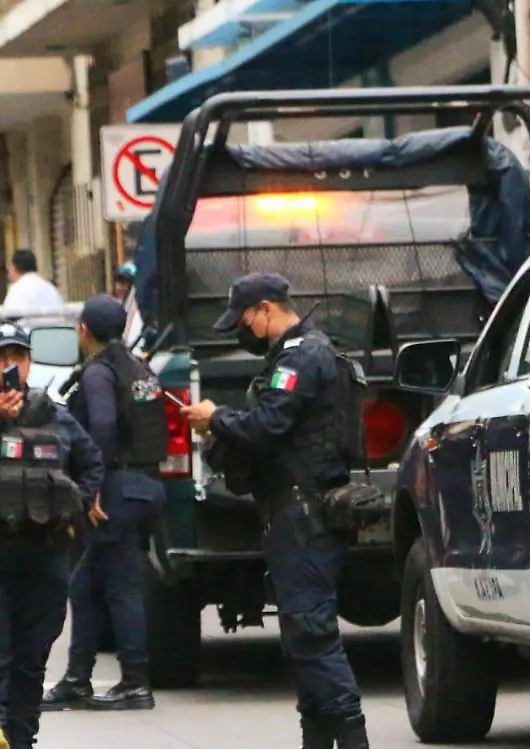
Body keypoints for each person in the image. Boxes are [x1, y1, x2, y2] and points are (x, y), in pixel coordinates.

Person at [180, 272, 370, 749]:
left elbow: (267, 425)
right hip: (291, 514)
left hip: (304, 515)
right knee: (300, 640)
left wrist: (215, 418)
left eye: (244, 321)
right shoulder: (293, 355)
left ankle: (353, 737)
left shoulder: (302, 356)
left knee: (312, 633)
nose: (243, 332)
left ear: (265, 309)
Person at [42, 295, 167, 713]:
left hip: (115, 490)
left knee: (121, 585)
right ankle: (79, 678)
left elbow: (103, 424)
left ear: (84, 331)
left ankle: (134, 682)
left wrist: (92, 487)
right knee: (86, 585)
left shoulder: (98, 373)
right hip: (142, 484)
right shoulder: (136, 367)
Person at [0, 323, 104, 748]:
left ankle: (21, 740)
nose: (9, 367)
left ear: (29, 363)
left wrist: (78, 507)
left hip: (44, 553)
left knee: (31, 658)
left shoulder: (55, 414)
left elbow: (92, 462)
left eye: (17, 358)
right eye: (1, 359)